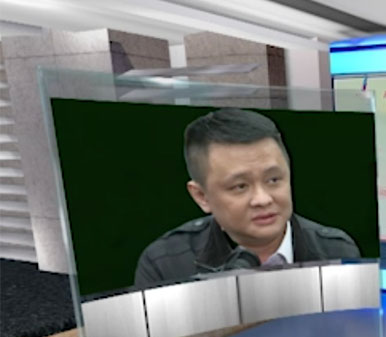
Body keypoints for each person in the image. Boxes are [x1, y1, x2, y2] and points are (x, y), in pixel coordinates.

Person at [134, 108, 360, 288]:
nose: (262, 199)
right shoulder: (165, 265)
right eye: (240, 186)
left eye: (273, 180)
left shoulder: (336, 252)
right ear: (202, 196)